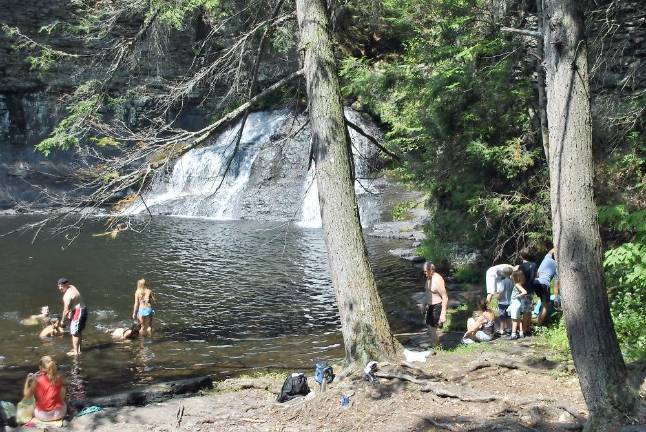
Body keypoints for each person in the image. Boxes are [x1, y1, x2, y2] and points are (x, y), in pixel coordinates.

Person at [23, 356, 67, 422]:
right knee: (62, 396)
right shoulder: (59, 377)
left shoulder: (37, 380)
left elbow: (26, 395)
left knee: (33, 403)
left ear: (40, 367)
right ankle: (70, 410)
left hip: (43, 416)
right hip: (58, 414)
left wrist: (27, 381)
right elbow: (62, 395)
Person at [57, 278, 87, 356]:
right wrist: (71, 313)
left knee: (74, 332)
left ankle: (76, 352)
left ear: (67, 285)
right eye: (59, 286)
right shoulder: (72, 287)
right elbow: (74, 301)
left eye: (62, 286)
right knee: (78, 331)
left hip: (78, 311)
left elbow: (66, 310)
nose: (60, 288)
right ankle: (79, 349)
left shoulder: (67, 296)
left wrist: (63, 321)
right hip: (83, 309)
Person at [422, 262, 448, 346]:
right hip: (430, 306)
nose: (424, 273)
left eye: (426, 271)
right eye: (424, 271)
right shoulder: (429, 277)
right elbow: (427, 292)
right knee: (429, 327)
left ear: (432, 270)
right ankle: (436, 344)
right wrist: (423, 305)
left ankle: (436, 346)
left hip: (437, 306)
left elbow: (445, 297)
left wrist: (443, 314)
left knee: (432, 328)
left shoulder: (438, 280)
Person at [534, 248, 560, 325]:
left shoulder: (547, 258)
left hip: (535, 282)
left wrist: (556, 247)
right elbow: (556, 284)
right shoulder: (556, 266)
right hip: (544, 284)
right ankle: (539, 325)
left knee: (543, 301)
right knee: (546, 305)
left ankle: (540, 320)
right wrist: (556, 297)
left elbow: (550, 251)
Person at [518, 247, 537, 334]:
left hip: (524, 290)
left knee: (525, 311)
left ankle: (525, 329)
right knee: (529, 310)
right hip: (531, 289)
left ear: (522, 256)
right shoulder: (533, 265)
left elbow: (520, 279)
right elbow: (535, 276)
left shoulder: (521, 266)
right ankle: (528, 327)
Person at [507, 269, 528, 340]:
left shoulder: (516, 284)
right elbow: (510, 276)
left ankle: (513, 334)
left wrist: (517, 296)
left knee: (514, 320)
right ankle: (521, 333)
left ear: (515, 277)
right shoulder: (519, 283)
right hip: (517, 304)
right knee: (518, 319)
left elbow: (524, 292)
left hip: (515, 304)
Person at [495, 268, 514, 335]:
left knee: (502, 317)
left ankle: (501, 330)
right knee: (509, 316)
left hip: (502, 302)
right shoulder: (512, 281)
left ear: (504, 273)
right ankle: (509, 328)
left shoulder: (503, 282)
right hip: (510, 302)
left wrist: (498, 298)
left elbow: (501, 292)